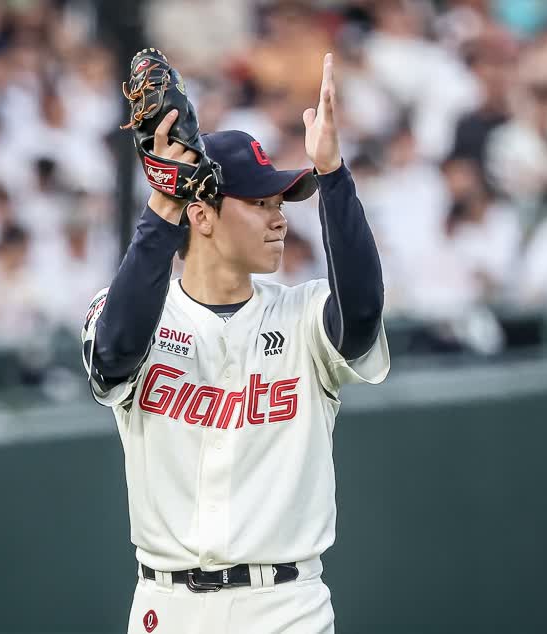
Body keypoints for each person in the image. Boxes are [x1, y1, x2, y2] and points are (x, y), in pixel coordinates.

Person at [81, 53, 389, 633]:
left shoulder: (301, 316)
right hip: (165, 607)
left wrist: (334, 177)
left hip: (284, 606)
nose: (278, 220)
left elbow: (364, 315)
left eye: (279, 204)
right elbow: (115, 353)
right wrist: (162, 207)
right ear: (202, 215)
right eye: (259, 203)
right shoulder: (128, 308)